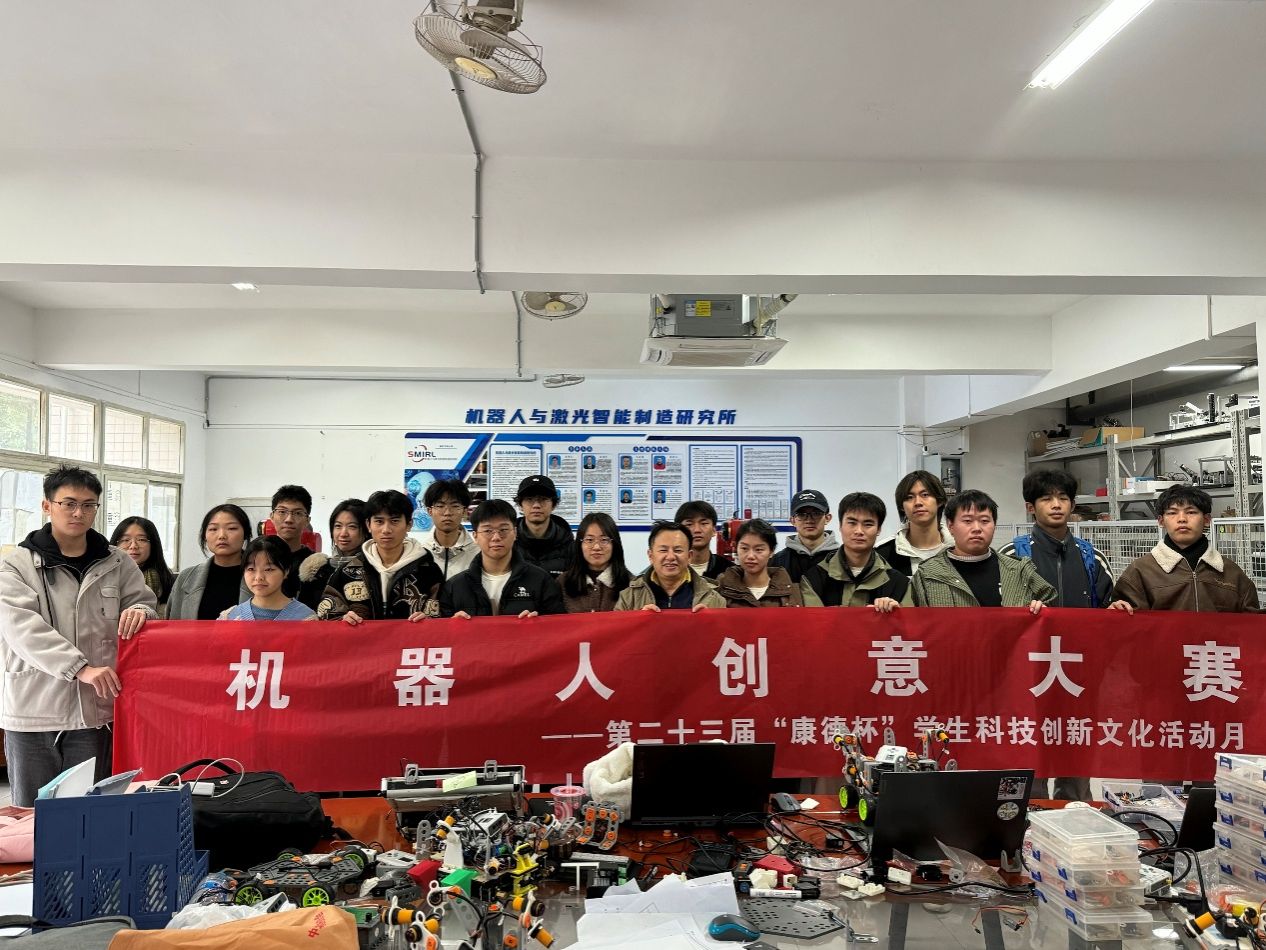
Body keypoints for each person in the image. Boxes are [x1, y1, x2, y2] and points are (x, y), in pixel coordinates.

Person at [0, 465, 157, 806]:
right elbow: (20, 627)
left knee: (90, 811)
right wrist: (80, 668)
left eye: (88, 505)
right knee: (32, 814)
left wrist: (141, 611)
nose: (78, 513)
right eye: (68, 503)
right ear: (47, 506)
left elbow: (144, 603)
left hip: (95, 711)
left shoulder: (117, 562)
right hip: (34, 709)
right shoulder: (16, 565)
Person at [1110, 485, 1259, 613]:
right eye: (1172, 513)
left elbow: (1251, 626)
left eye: (1191, 512)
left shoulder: (1232, 573)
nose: (1182, 519)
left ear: (1207, 520)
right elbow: (1128, 626)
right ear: (1161, 521)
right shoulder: (1140, 571)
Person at [911, 490, 1055, 610]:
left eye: (985, 521)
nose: (977, 528)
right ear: (951, 526)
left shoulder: (1018, 570)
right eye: (967, 521)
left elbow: (1050, 603)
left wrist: (1041, 608)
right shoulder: (928, 574)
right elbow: (912, 622)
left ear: (994, 525)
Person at [318, 490, 445, 623]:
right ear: (368, 525)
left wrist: (429, 621)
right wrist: (342, 620)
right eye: (379, 521)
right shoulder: (347, 572)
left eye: (394, 521)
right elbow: (325, 614)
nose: (386, 530)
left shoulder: (428, 571)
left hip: (412, 637)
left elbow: (444, 615)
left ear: (409, 525)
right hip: (362, 637)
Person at [998, 470, 1114, 608]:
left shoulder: (1094, 558)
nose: (1056, 505)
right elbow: (998, 611)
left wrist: (1115, 607)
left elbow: (1107, 609)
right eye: (1047, 499)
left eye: (1063, 498)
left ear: (1072, 505)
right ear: (1030, 508)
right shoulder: (1011, 556)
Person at [440, 500, 566, 618]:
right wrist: (453, 624)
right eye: (488, 530)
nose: (496, 537)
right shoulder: (455, 587)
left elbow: (558, 625)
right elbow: (442, 630)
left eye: (503, 530)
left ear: (515, 533)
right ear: (475, 536)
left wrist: (540, 622)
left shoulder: (541, 581)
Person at [801, 493, 911, 611]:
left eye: (868, 524)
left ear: (878, 529)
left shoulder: (900, 584)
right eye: (852, 523)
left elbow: (908, 621)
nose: (859, 531)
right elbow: (813, 621)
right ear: (840, 526)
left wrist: (896, 613)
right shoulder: (813, 579)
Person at [616, 521, 726, 611]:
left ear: (689, 556)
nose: (670, 557)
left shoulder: (713, 598)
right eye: (663, 550)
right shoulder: (629, 598)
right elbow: (618, 631)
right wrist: (638, 620)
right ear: (651, 556)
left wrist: (710, 621)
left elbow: (724, 631)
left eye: (678, 550)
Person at [168, 504, 253, 620]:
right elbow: (172, 624)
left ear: (245, 534)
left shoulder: (260, 576)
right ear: (205, 536)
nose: (222, 536)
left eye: (232, 528)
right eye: (213, 529)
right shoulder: (186, 577)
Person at [875, 470, 953, 577]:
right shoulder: (883, 554)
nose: (918, 502)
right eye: (909, 497)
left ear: (939, 501)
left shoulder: (958, 547)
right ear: (902, 507)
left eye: (925, 495)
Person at [222, 536, 317, 621]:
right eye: (251, 569)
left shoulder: (306, 618)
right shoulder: (230, 617)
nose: (258, 577)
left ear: (286, 571)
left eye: (268, 569)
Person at [715, 519, 803, 607]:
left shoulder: (794, 593)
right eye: (744, 548)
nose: (751, 556)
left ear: (771, 551)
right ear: (736, 548)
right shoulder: (719, 591)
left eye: (759, 550)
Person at [266, 485, 324, 609]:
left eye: (297, 513)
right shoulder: (259, 557)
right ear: (272, 516)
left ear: (307, 520)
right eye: (282, 512)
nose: (289, 519)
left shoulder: (317, 565)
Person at [561, 513, 632, 612]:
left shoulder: (632, 584)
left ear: (615, 544)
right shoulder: (562, 583)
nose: (596, 547)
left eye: (604, 540)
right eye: (589, 540)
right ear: (579, 544)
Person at [298, 498, 366, 599]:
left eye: (352, 527)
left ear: (367, 530)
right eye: (338, 526)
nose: (343, 534)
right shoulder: (316, 571)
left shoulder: (374, 569)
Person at [110, 516, 176, 618]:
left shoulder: (168, 582)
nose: (133, 546)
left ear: (153, 545)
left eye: (141, 539)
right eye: (125, 540)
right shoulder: (105, 577)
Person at [771, 489, 840, 584]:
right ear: (793, 521)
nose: (809, 520)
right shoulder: (777, 562)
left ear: (827, 518)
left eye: (816, 513)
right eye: (801, 514)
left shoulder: (842, 559)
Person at [513, 475, 574, 577]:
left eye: (543, 499)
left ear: (553, 505)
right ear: (520, 505)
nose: (536, 505)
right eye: (529, 499)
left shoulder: (569, 546)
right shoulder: (509, 543)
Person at [417, 480, 478, 580]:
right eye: (440, 506)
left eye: (455, 506)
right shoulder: (419, 553)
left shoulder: (478, 554)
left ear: (464, 511)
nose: (447, 513)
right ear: (429, 511)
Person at [674, 500, 735, 580]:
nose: (697, 530)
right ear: (679, 532)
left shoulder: (729, 571)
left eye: (704, 523)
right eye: (689, 524)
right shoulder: (670, 568)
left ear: (714, 530)